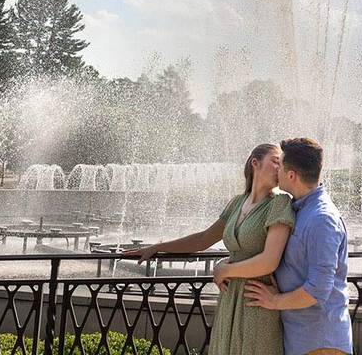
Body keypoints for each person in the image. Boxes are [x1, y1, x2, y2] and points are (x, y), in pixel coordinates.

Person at [122, 143, 295, 355]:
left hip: (257, 299)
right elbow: (203, 239)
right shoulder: (236, 203)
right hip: (229, 297)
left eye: (282, 164)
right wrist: (157, 247)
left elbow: (269, 261)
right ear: (255, 163)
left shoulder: (280, 203)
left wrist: (224, 270)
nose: (280, 169)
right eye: (276, 162)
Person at [244, 137, 353, 355]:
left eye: (280, 166)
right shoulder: (301, 209)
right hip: (304, 339)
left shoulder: (322, 219)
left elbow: (318, 289)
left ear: (291, 175)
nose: (277, 171)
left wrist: (273, 301)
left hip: (320, 342)